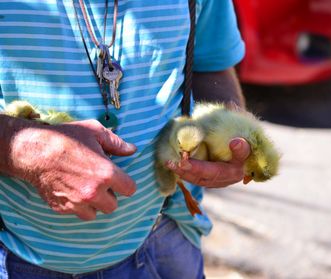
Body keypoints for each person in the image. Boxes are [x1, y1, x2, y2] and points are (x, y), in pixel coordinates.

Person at [0, 0, 250, 278]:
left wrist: (231, 137)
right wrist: (22, 148)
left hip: (164, 243)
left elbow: (211, 66)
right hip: (13, 254)